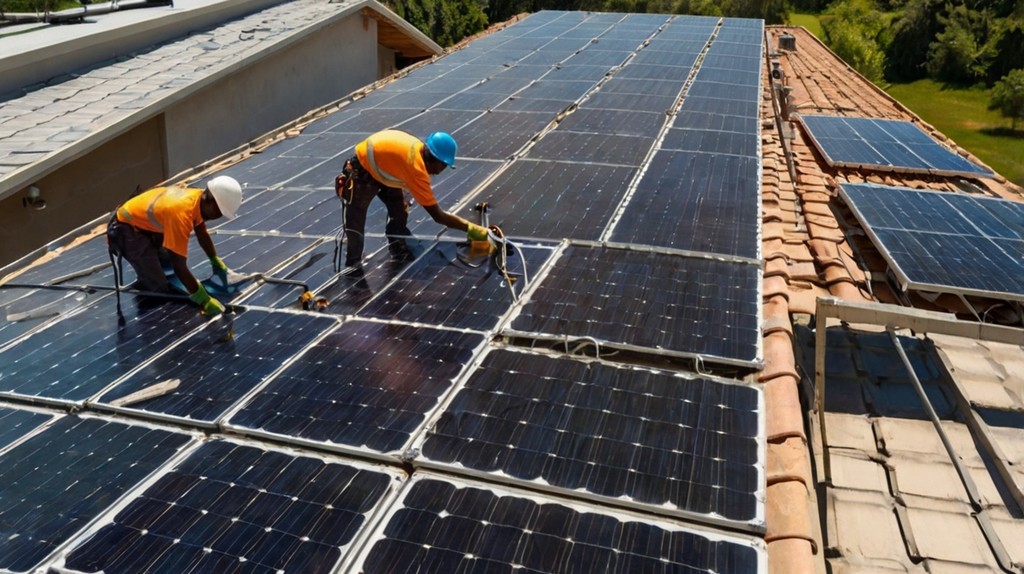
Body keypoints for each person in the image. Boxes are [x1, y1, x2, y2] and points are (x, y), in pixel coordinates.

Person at [334, 129, 490, 267]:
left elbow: (402, 172)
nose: (442, 170)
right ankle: (353, 265)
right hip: (362, 170)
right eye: (444, 165)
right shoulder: (416, 170)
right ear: (435, 159)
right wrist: (471, 228)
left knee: (399, 213)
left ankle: (397, 243)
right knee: (356, 221)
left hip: (386, 167)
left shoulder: (418, 149)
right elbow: (438, 216)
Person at [107, 176, 243, 317]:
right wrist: (204, 300)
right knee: (158, 287)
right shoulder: (181, 214)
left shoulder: (198, 198)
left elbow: (202, 233)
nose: (219, 216)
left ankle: (150, 268)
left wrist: (215, 260)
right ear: (211, 201)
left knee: (167, 266)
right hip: (125, 230)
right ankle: (149, 298)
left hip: (146, 226)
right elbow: (180, 267)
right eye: (220, 212)